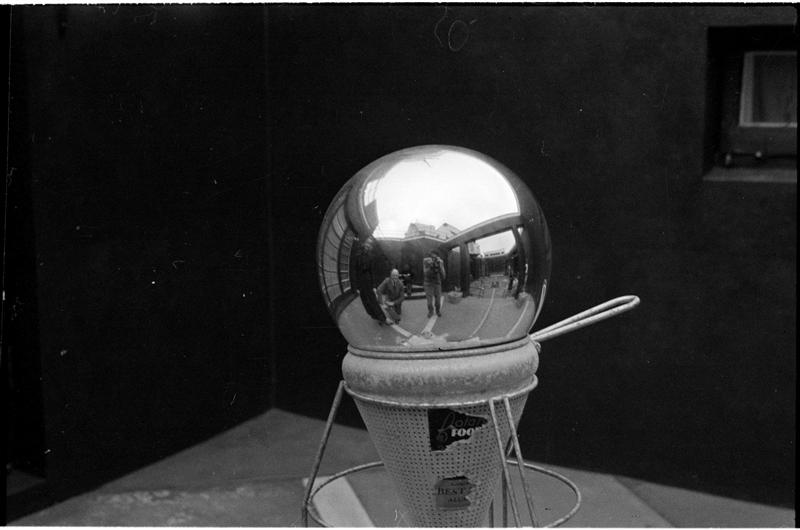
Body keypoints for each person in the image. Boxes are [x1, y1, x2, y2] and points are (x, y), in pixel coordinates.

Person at [423, 251, 446, 318]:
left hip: (437, 283)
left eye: (435, 257)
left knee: (438, 301)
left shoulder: (440, 262)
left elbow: (444, 276)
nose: (433, 259)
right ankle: (430, 311)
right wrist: (430, 266)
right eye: (432, 257)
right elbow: (425, 273)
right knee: (429, 302)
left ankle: (437, 310)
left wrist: (440, 266)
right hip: (428, 283)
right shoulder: (426, 261)